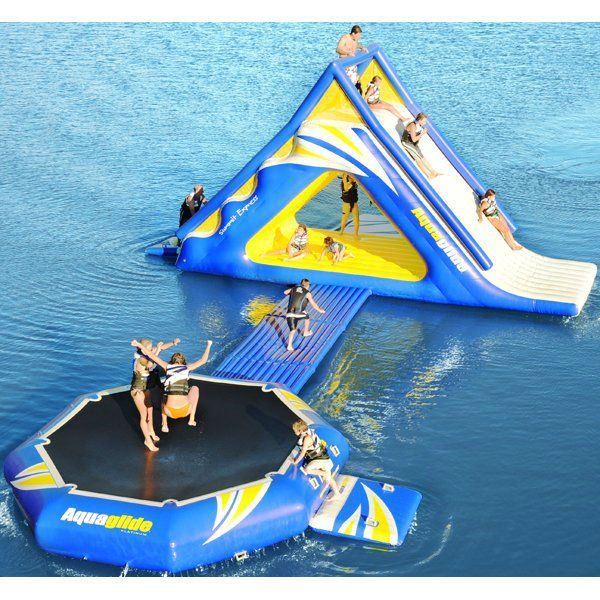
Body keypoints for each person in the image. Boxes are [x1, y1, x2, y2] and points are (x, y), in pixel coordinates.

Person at [131, 339, 213, 436]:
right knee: (195, 389)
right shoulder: (187, 368)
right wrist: (208, 345)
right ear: (184, 362)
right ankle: (191, 419)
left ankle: (165, 425)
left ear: (171, 361)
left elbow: (151, 355)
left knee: (164, 396)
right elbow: (203, 360)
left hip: (169, 412)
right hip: (185, 411)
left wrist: (139, 344)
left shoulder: (167, 366)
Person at [130, 337, 180, 452]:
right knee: (143, 416)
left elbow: (160, 348)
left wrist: (173, 343)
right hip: (138, 390)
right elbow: (150, 364)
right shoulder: (141, 359)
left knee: (150, 409)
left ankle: (151, 431)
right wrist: (157, 349)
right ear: (143, 349)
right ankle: (147, 441)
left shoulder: (145, 353)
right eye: (148, 349)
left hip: (145, 388)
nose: (150, 350)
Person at [292, 420, 341, 500]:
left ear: (300, 430)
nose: (294, 432)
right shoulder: (308, 432)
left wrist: (295, 461)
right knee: (328, 477)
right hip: (321, 457)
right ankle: (337, 493)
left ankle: (324, 474)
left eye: (295, 430)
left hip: (320, 459)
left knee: (307, 469)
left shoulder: (307, 438)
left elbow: (303, 452)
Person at [284, 279, 325, 352]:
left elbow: (285, 292)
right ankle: (305, 332)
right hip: (299, 314)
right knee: (307, 316)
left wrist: (293, 294)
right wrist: (320, 310)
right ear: (308, 285)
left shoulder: (293, 288)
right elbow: (313, 304)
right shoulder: (308, 293)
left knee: (292, 330)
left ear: (301, 284)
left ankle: (289, 346)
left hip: (289, 314)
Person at [401, 112, 441, 179]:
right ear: (419, 120)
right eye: (424, 121)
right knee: (418, 159)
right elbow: (414, 139)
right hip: (407, 143)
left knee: (422, 157)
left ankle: (434, 172)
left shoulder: (418, 125)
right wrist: (422, 133)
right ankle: (429, 175)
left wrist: (421, 133)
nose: (425, 123)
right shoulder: (413, 126)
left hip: (413, 144)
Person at [336, 25, 365, 93]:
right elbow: (338, 49)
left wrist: (362, 47)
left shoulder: (355, 39)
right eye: (358, 35)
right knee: (351, 85)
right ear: (353, 33)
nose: (359, 37)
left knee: (358, 84)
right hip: (346, 65)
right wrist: (348, 53)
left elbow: (356, 44)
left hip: (352, 65)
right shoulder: (345, 38)